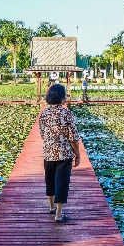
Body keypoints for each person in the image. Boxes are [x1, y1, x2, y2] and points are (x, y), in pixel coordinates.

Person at [39, 83, 81, 223]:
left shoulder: (44, 114)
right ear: (62, 97)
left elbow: (42, 134)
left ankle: (51, 207)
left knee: (50, 180)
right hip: (64, 154)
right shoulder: (67, 114)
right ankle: (58, 214)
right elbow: (73, 138)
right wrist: (78, 154)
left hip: (48, 153)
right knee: (61, 182)